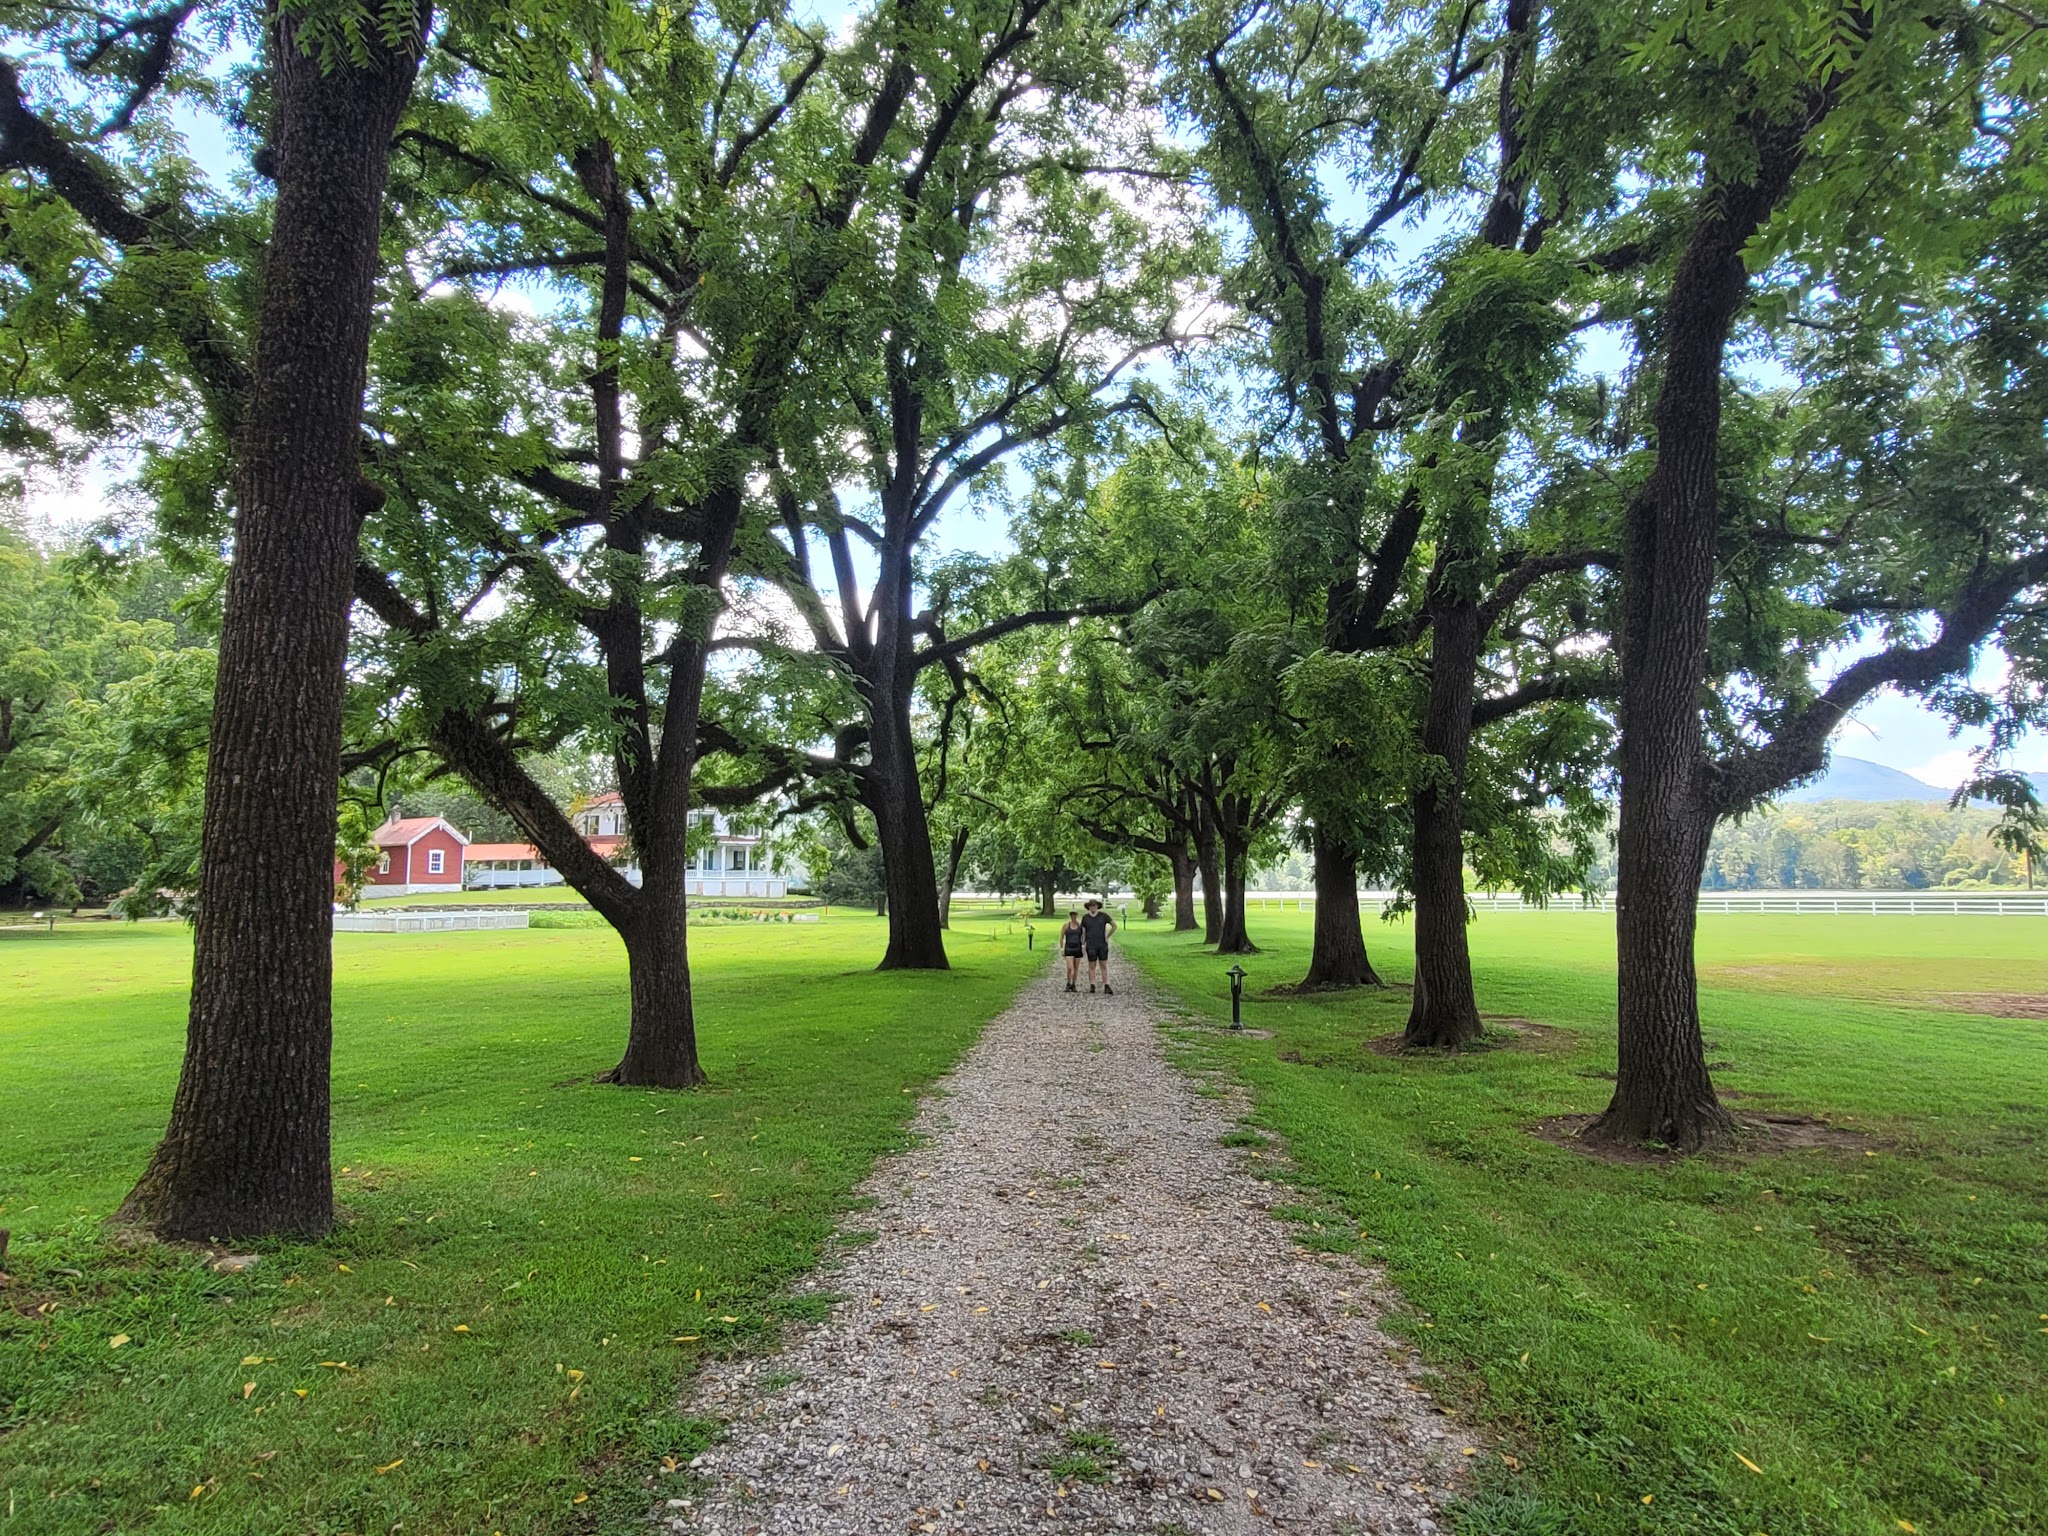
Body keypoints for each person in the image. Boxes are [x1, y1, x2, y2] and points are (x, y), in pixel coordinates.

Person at [1079, 897, 1116, 994]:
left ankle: (1106, 984)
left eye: (1094, 905)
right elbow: (1083, 931)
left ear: (1097, 906)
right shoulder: (1085, 918)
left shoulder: (1103, 916)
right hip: (1090, 944)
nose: (1093, 907)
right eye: (1091, 906)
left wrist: (1107, 936)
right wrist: (1082, 944)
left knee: (1103, 964)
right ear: (1088, 907)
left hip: (1102, 944)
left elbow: (1114, 925)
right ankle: (1092, 984)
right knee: (1092, 964)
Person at [1059, 908, 1086, 992]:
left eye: (1074, 914)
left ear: (1077, 915)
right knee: (1070, 967)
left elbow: (1083, 937)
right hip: (1069, 948)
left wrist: (1083, 946)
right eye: (1071, 915)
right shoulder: (1066, 925)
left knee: (1076, 967)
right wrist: (1062, 948)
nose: (1073, 916)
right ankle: (1068, 982)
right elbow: (1061, 937)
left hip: (1077, 948)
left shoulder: (1080, 926)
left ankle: (1073, 983)